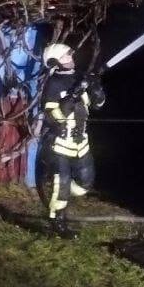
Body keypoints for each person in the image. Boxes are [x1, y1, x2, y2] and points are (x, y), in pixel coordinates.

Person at [38, 42, 106, 238]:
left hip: (80, 143)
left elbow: (98, 105)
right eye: (65, 56)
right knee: (62, 185)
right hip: (59, 145)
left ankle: (60, 194)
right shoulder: (53, 85)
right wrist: (72, 96)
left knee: (85, 184)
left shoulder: (79, 77)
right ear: (54, 62)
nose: (70, 58)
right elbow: (53, 118)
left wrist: (95, 88)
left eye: (70, 54)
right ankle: (57, 223)